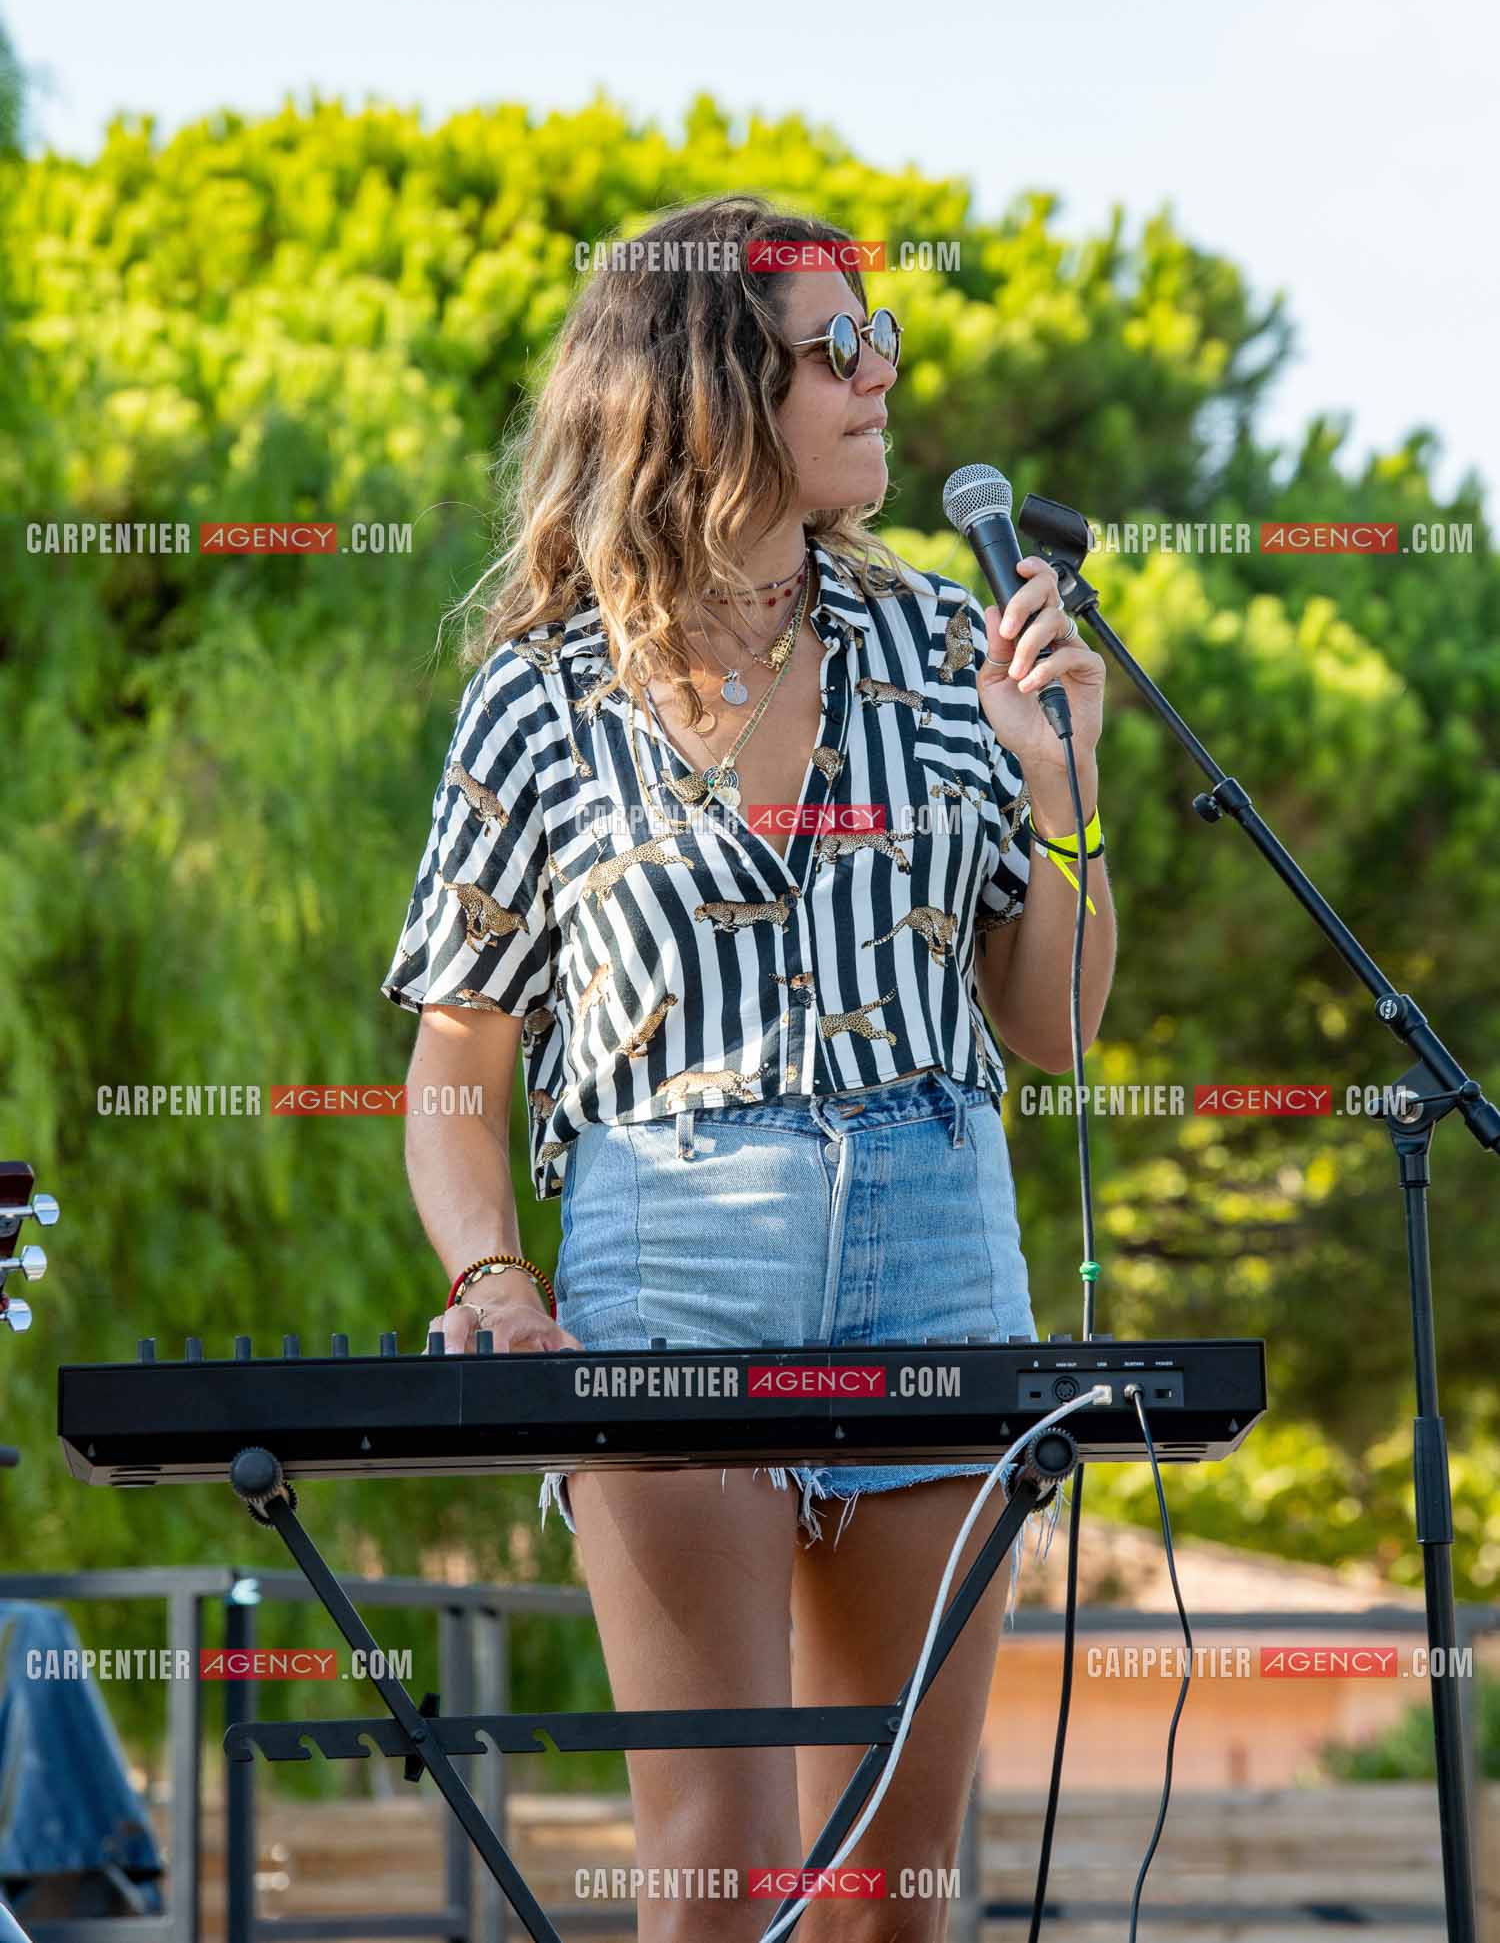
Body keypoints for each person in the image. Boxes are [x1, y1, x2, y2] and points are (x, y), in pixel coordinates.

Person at [382, 194, 1115, 1941]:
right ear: (708, 384)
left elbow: (1056, 1024)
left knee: (891, 1892)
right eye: (837, 346)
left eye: (885, 338)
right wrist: (492, 1277)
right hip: (673, 1249)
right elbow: (458, 1055)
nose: (883, 374)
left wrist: (1064, 790)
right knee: (721, 1872)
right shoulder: (542, 697)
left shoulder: (944, 647)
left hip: (935, 1239)